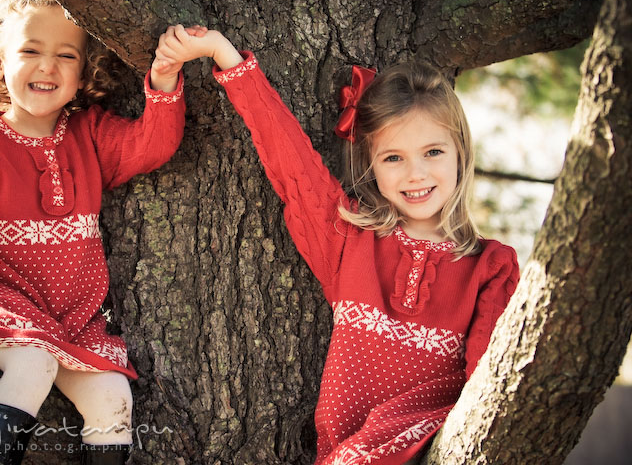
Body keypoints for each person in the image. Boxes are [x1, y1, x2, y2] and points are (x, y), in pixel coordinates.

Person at [154, 28, 520, 464]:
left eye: (433, 152)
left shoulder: (491, 267)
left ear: (461, 151)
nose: (415, 174)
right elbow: (289, 160)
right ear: (371, 166)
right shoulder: (350, 239)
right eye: (393, 158)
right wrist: (225, 56)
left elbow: (490, 387)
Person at [0, 0, 194, 463]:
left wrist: (164, 79)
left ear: (83, 73)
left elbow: (152, 145)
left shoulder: (89, 133)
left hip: (73, 318)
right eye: (30, 50)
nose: (48, 66)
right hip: (1, 300)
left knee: (112, 397)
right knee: (33, 362)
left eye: (66, 55)